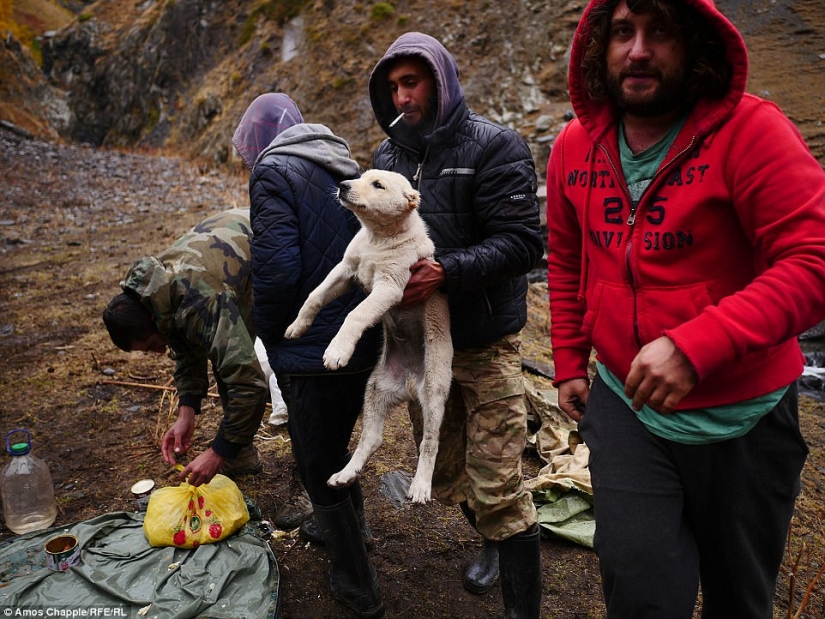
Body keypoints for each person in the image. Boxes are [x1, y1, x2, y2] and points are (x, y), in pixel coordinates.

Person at [546, 1, 825, 617]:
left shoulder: (752, 132)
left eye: (660, 32)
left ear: (694, 44)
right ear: (600, 46)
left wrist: (700, 343)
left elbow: (814, 260)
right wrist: (569, 359)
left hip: (744, 419)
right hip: (627, 403)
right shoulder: (573, 146)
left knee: (741, 600)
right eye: (623, 32)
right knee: (640, 588)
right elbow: (568, 260)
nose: (638, 49)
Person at [369, 33, 546, 618]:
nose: (402, 96)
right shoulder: (388, 157)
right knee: (446, 473)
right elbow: (376, 237)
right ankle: (491, 535)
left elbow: (524, 243)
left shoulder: (496, 146)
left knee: (498, 484)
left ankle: (517, 584)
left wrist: (445, 272)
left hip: (487, 341)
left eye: (412, 82)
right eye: (393, 86)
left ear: (440, 80)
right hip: (424, 349)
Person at [234, 93, 384, 618]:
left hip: (312, 345)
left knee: (316, 457)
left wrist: (271, 335)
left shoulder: (273, 171)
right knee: (335, 439)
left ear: (258, 137)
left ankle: (356, 585)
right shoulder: (340, 161)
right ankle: (354, 528)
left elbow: (276, 269)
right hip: (360, 334)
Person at [102, 208, 268, 487]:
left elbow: (249, 383)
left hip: (272, 241)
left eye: (154, 345)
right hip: (235, 251)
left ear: (152, 320)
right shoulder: (155, 290)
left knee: (282, 363)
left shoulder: (198, 299)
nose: (157, 352)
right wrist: (186, 411)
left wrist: (218, 452)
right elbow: (184, 341)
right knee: (224, 351)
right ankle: (240, 453)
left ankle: (313, 472)